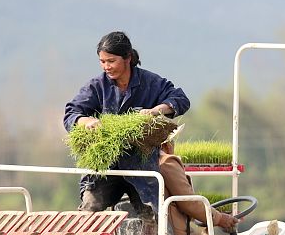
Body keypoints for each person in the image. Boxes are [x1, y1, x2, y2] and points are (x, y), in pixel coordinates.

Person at [63, 31, 190, 213]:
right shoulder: (96, 86)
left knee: (152, 215)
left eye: (111, 61)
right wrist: (86, 121)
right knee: (90, 207)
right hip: (105, 168)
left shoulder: (150, 82)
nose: (106, 66)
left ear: (127, 58)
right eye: (102, 61)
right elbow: (71, 112)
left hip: (142, 167)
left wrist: (156, 111)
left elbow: (181, 98)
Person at [159, 135, 256, 235]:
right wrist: (219, 218)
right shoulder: (167, 162)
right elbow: (189, 202)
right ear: (166, 143)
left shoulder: (142, 165)